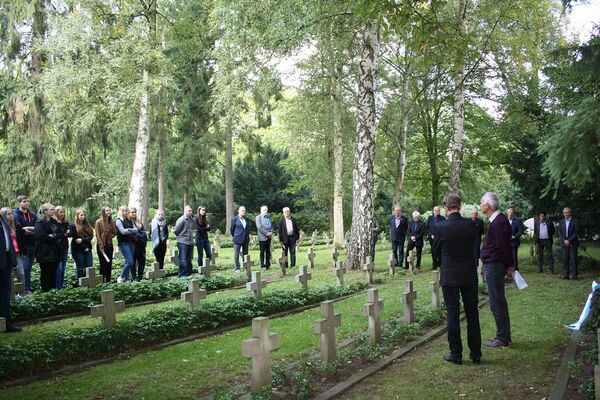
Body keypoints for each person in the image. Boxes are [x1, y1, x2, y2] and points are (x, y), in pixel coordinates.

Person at [433, 193, 481, 365]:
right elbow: (475, 248)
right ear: (459, 207)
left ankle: (456, 355)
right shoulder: (471, 225)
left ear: (446, 208)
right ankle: (476, 353)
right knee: (472, 313)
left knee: (453, 315)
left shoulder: (440, 227)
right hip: (468, 274)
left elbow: (436, 251)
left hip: (450, 275)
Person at [480, 192, 513, 348]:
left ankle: (502, 337)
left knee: (496, 302)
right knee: (500, 301)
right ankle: (505, 336)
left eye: (482, 203)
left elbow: (502, 246)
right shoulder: (498, 220)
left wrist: (508, 265)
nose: (480, 206)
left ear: (488, 206)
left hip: (494, 266)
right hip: (494, 265)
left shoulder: (498, 222)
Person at [34, 203, 62, 292]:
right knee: (46, 273)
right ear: (45, 211)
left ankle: (53, 291)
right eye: (52, 209)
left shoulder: (54, 222)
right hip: (44, 252)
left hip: (55, 251)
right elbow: (42, 236)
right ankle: (46, 292)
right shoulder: (39, 222)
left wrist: (52, 236)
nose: (54, 211)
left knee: (53, 272)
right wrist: (54, 237)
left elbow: (61, 234)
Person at [0, 213, 20, 332]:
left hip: (6, 260)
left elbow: (8, 239)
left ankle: (7, 323)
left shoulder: (2, 217)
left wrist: (12, 259)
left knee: (5, 294)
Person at [13, 195, 37, 293]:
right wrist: (29, 230)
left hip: (33, 245)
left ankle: (28, 289)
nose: (26, 203)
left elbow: (38, 229)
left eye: (27, 201)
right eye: (24, 201)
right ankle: (24, 290)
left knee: (29, 269)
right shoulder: (16, 215)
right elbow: (20, 230)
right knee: (24, 269)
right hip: (23, 246)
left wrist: (27, 229)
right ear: (19, 203)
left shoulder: (32, 215)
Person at [0, 208, 25, 284]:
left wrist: (22, 251)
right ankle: (12, 293)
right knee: (8, 275)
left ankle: (22, 293)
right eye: (8, 214)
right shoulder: (2, 227)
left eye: (12, 213)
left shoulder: (16, 225)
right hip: (5, 253)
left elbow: (20, 240)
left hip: (16, 252)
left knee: (21, 273)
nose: (11, 215)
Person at [70, 209, 94, 280]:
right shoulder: (73, 226)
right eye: (81, 215)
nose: (83, 217)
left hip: (88, 249)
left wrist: (83, 240)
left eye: (84, 215)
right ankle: (80, 283)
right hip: (77, 250)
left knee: (89, 266)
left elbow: (91, 236)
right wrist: (84, 245)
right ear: (77, 216)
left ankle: (87, 282)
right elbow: (76, 239)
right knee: (80, 267)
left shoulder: (86, 225)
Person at [115, 206, 137, 283]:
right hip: (123, 243)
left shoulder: (129, 220)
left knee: (128, 262)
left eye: (127, 211)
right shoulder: (118, 221)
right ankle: (121, 277)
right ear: (121, 211)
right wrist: (131, 230)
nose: (127, 212)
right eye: (125, 211)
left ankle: (126, 279)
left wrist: (128, 229)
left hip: (131, 243)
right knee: (130, 262)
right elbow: (122, 232)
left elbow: (136, 230)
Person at [95, 206, 117, 282]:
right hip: (101, 245)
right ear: (103, 212)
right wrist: (101, 246)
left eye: (109, 210)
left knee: (109, 263)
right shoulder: (98, 222)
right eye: (106, 210)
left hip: (109, 245)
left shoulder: (112, 221)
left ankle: (108, 280)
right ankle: (101, 281)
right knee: (103, 264)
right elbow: (97, 235)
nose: (108, 212)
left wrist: (111, 234)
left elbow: (115, 233)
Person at [174, 205, 195, 277]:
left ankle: (188, 274)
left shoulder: (191, 219)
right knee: (182, 259)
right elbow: (176, 230)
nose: (190, 212)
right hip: (182, 241)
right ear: (185, 211)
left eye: (191, 211)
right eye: (189, 211)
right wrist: (181, 237)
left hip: (190, 241)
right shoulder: (181, 220)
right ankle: (182, 275)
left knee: (189, 259)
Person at [559, 207, 579, 280]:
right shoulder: (561, 222)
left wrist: (569, 240)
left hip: (573, 243)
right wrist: (564, 240)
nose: (566, 214)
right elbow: (560, 232)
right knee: (565, 260)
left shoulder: (575, 221)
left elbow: (576, 232)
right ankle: (566, 275)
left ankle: (574, 275)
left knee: (573, 260)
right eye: (564, 212)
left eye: (567, 212)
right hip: (564, 243)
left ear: (570, 213)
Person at [53, 206, 70, 289]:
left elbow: (69, 233)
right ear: (56, 213)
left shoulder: (65, 223)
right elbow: (55, 235)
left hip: (65, 247)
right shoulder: (53, 223)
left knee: (63, 269)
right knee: (58, 269)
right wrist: (64, 234)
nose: (62, 214)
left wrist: (65, 234)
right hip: (56, 248)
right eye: (60, 212)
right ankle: (56, 287)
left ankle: (61, 286)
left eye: (63, 212)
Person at [129, 208, 147, 281]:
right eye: (132, 212)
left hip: (140, 246)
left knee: (142, 261)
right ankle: (133, 277)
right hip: (132, 245)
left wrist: (138, 235)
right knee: (132, 262)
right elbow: (130, 234)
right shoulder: (127, 222)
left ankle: (140, 277)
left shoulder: (139, 222)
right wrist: (138, 235)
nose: (134, 213)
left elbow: (143, 234)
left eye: (135, 212)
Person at [231, 206, 251, 272]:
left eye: (244, 211)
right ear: (238, 211)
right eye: (242, 210)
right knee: (236, 255)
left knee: (245, 255)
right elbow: (232, 229)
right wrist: (235, 235)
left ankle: (245, 267)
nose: (243, 212)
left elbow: (247, 229)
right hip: (237, 239)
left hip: (245, 239)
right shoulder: (234, 219)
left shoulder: (246, 219)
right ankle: (237, 268)